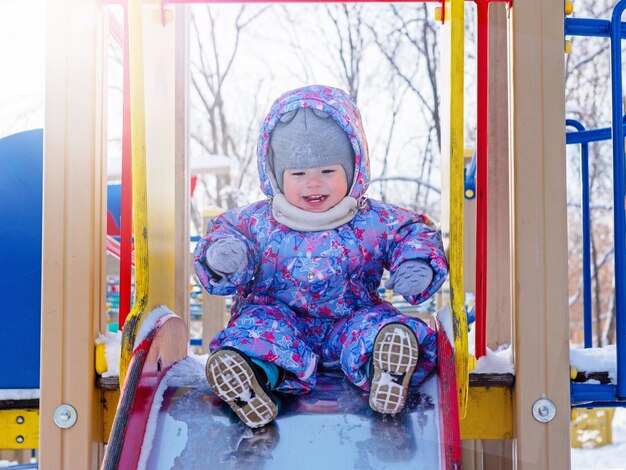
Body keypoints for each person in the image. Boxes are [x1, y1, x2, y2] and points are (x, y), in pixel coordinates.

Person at [194, 84, 448, 428]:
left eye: (328, 171)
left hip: (352, 316)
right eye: (298, 174)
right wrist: (225, 255)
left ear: (353, 168)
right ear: (277, 176)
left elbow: (411, 231)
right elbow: (224, 235)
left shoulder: (370, 218)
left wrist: (414, 262)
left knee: (377, 328)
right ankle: (251, 378)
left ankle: (385, 370)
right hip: (278, 317)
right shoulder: (258, 221)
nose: (313, 183)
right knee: (257, 333)